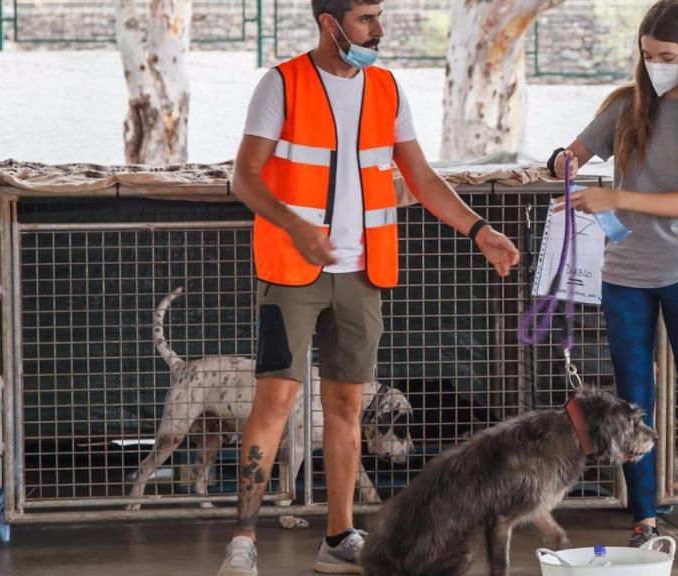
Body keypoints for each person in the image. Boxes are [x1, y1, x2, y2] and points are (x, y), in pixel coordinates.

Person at [218, 1, 520, 574]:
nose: (378, 30)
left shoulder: (386, 88)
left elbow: (421, 177)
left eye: (379, 16)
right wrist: (297, 228)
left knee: (347, 406)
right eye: (365, 18)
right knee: (275, 400)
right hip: (293, 271)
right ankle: (243, 541)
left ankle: (338, 538)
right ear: (329, 23)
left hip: (363, 272)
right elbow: (245, 176)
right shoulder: (281, 83)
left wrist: (478, 230)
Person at [548, 0, 678, 568]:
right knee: (632, 403)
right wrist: (565, 160)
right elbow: (574, 151)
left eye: (666, 56)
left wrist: (617, 196)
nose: (655, 65)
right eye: (647, 55)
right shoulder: (625, 104)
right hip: (625, 274)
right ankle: (643, 520)